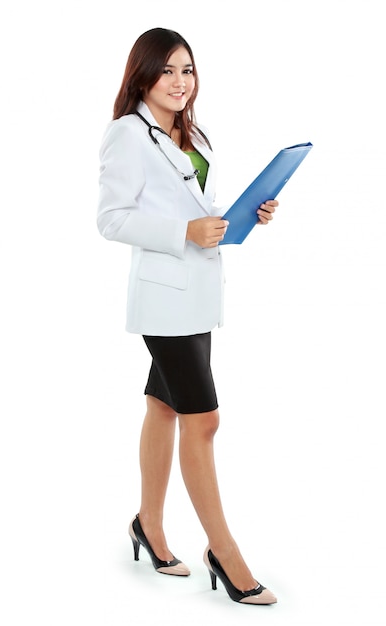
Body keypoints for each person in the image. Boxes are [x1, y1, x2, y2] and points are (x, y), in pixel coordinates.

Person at [97, 27, 279, 605]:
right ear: (142, 76)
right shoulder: (127, 136)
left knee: (164, 405)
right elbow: (112, 219)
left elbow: (197, 210)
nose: (180, 82)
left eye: (188, 70)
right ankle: (223, 552)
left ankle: (148, 526)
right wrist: (183, 233)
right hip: (163, 300)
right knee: (204, 421)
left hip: (199, 296)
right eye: (168, 71)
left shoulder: (192, 132)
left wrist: (244, 214)